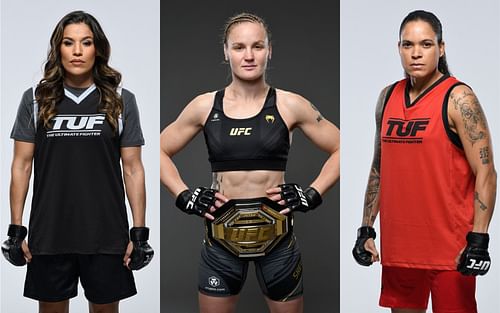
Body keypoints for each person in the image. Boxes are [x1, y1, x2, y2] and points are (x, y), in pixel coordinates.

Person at [160, 12, 339, 313]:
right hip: (221, 244)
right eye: (239, 47)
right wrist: (184, 195)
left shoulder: (289, 104)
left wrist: (312, 193)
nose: (249, 56)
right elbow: (158, 150)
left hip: (278, 243)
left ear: (270, 51)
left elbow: (341, 147)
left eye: (257, 46)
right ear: (226, 52)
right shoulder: (205, 106)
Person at [1, 11, 154, 313]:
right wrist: (16, 229)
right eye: (69, 43)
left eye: (86, 42)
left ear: (97, 48)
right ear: (58, 48)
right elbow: (21, 165)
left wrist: (139, 233)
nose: (77, 51)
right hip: (51, 231)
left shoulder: (121, 100)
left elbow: (133, 168)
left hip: (107, 233)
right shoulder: (35, 99)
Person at [352, 10, 496, 313]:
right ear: (399, 48)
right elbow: (380, 167)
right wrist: (366, 228)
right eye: (408, 45)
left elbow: (485, 171)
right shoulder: (387, 97)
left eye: (426, 44)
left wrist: (479, 239)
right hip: (400, 246)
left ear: (441, 49)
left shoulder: (459, 98)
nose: (416, 53)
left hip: (450, 250)